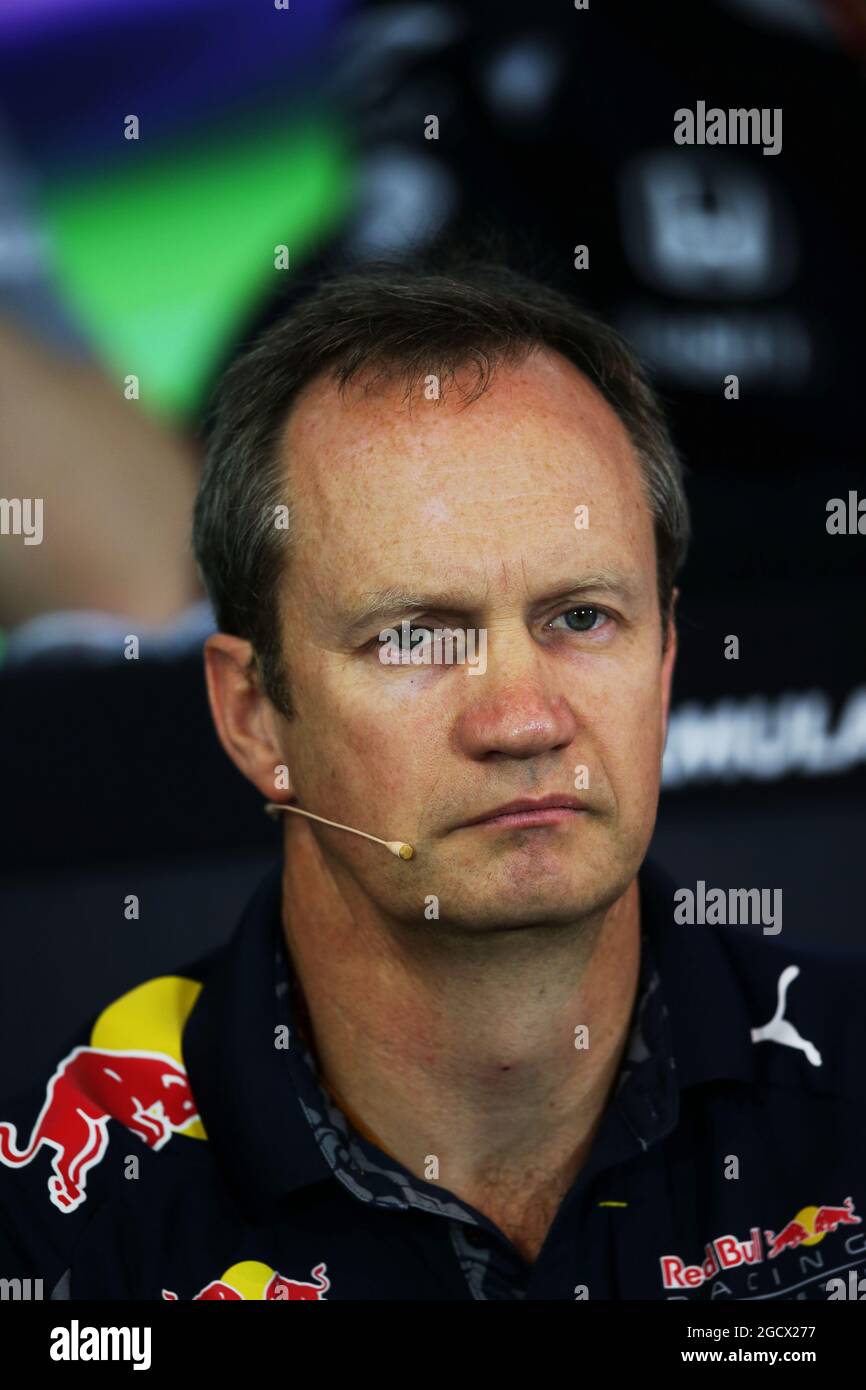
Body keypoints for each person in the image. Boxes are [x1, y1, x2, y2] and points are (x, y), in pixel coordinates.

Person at [1, 257, 864, 1301]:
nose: (522, 719)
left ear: (668, 657)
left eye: (580, 618)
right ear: (251, 713)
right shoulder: (59, 1217)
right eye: (412, 636)